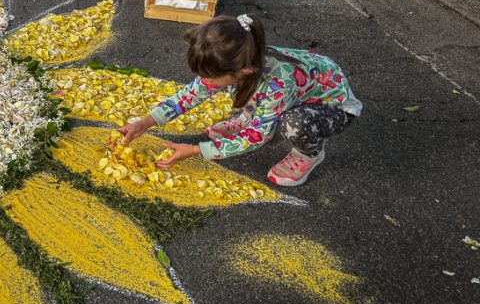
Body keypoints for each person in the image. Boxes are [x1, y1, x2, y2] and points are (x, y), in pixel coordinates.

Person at [115, 15, 362, 187]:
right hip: (291, 93)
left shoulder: (277, 85)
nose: (203, 82)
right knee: (253, 96)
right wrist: (145, 122)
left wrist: (196, 150)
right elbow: (189, 95)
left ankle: (309, 154)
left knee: (293, 124)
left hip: (332, 107)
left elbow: (257, 138)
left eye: (209, 77)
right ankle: (251, 116)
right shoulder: (241, 56)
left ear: (242, 70)